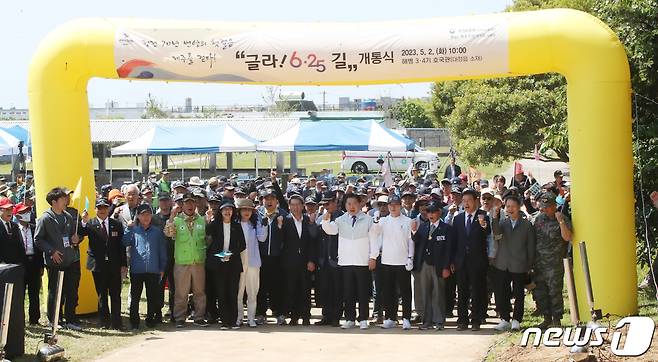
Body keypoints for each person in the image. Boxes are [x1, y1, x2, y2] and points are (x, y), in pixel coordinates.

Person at [322, 193, 378, 330]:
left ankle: (363, 318)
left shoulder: (368, 220)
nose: (351, 206)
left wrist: (373, 257)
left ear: (359, 204)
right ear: (345, 205)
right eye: (348, 204)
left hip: (362, 261)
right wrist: (325, 221)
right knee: (348, 292)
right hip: (346, 261)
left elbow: (374, 240)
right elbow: (331, 231)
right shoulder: (341, 220)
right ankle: (350, 318)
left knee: (363, 292)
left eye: (354, 203)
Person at [35, 187, 83, 331]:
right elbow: (38, 239)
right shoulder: (45, 218)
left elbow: (72, 237)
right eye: (63, 199)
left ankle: (71, 319)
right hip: (55, 262)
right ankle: (54, 319)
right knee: (55, 292)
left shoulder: (68, 216)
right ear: (54, 202)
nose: (66, 201)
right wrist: (51, 251)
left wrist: (76, 239)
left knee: (72, 291)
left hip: (71, 260)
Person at [80, 199, 127, 330]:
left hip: (114, 264)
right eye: (99, 208)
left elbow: (121, 246)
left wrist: (123, 264)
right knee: (101, 295)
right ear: (95, 209)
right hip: (97, 265)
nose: (102, 210)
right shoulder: (90, 223)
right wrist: (83, 221)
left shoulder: (116, 224)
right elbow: (81, 233)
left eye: (105, 207)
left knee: (115, 294)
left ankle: (117, 322)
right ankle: (104, 322)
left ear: (108, 209)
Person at [491, 195, 536, 332]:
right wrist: (494, 218)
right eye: (507, 206)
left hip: (519, 263)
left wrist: (530, 265)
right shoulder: (503, 223)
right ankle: (505, 319)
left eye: (513, 206)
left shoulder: (526, 225)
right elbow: (496, 234)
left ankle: (516, 319)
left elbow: (530, 246)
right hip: (503, 263)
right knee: (502, 292)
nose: (510, 209)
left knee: (518, 293)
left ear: (519, 207)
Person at [369, 195, 414, 330]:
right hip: (387, 261)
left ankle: (406, 317)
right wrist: (376, 221)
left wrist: (410, 257)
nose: (393, 207)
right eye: (390, 205)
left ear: (400, 206)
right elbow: (374, 234)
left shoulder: (407, 221)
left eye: (395, 204)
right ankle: (390, 318)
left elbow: (410, 240)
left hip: (402, 261)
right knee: (388, 291)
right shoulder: (383, 221)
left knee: (405, 291)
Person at [164, 192, 209, 328]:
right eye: (187, 202)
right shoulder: (176, 220)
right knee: (181, 292)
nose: (190, 205)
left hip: (198, 261)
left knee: (199, 291)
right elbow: (169, 233)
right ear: (182, 205)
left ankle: (199, 316)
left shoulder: (202, 220)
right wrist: (171, 216)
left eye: (192, 202)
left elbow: (207, 239)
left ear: (195, 204)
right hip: (182, 261)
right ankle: (179, 317)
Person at [123, 204, 168, 329]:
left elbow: (162, 251)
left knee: (152, 296)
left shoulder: (157, 232)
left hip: (153, 270)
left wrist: (162, 267)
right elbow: (125, 242)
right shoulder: (134, 230)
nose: (146, 217)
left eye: (148, 214)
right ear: (138, 216)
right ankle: (134, 321)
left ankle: (150, 319)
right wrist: (128, 229)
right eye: (143, 214)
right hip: (137, 270)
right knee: (135, 296)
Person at [451, 188, 490, 331]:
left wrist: (484, 226)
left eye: (469, 201)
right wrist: (453, 261)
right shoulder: (458, 218)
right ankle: (462, 320)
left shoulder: (483, 216)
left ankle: (476, 320)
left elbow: (488, 233)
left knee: (477, 292)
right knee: (462, 291)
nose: (466, 203)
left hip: (477, 261)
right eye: (464, 201)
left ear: (475, 201)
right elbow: (454, 242)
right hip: (461, 261)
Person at [531, 192, 572, 329]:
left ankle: (556, 319)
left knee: (555, 292)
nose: (544, 209)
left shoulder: (562, 218)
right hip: (540, 263)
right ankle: (546, 318)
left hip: (555, 264)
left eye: (547, 207)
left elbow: (567, 237)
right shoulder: (538, 219)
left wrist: (560, 221)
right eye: (543, 207)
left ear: (554, 205)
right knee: (541, 291)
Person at [412, 200, 453, 330]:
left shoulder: (446, 228)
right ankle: (427, 320)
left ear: (439, 213)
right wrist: (413, 232)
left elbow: (448, 250)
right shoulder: (423, 227)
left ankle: (439, 320)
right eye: (428, 211)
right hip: (424, 264)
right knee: (425, 293)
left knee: (438, 293)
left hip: (439, 265)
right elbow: (417, 241)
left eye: (433, 212)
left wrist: (446, 267)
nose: (430, 214)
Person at [206, 201, 245, 330]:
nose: (227, 212)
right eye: (225, 210)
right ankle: (224, 321)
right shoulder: (214, 225)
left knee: (232, 293)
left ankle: (233, 321)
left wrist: (230, 254)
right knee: (221, 293)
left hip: (233, 263)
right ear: (221, 212)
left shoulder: (237, 226)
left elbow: (242, 245)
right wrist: (220, 255)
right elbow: (208, 242)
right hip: (218, 264)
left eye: (230, 209)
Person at [281, 194, 317, 326]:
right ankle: (294, 316)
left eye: (298, 204)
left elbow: (312, 243)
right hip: (290, 262)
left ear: (303, 206)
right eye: (293, 205)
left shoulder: (308, 220)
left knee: (306, 290)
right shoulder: (285, 221)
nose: (295, 207)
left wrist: (311, 260)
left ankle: (306, 316)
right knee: (292, 290)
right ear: (289, 206)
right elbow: (281, 242)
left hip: (306, 262)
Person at [256, 188, 287, 325]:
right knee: (261, 286)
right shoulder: (257, 214)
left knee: (278, 286)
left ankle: (279, 312)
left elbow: (287, 237)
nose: (269, 201)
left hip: (277, 256)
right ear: (262, 200)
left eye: (272, 199)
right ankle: (261, 313)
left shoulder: (283, 215)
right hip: (261, 256)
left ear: (276, 201)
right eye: (266, 199)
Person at [235, 198, 267, 328]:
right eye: (244, 210)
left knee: (252, 291)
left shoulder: (255, 224)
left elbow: (262, 238)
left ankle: (251, 318)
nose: (247, 212)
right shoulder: (235, 224)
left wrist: (264, 225)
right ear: (240, 211)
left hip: (253, 262)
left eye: (249, 210)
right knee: (238, 291)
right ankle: (239, 317)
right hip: (239, 262)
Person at [315, 191, 344, 327]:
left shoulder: (342, 217)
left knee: (337, 290)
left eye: (328, 203)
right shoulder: (321, 217)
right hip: (323, 259)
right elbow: (315, 235)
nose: (326, 206)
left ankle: (336, 316)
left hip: (336, 258)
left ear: (335, 202)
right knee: (325, 289)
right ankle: (326, 316)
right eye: (324, 204)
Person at [14, 202, 43, 325]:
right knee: (20, 294)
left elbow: (40, 247)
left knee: (34, 293)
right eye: (23, 212)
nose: (27, 214)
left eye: (28, 212)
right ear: (18, 215)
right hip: (21, 263)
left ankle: (34, 319)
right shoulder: (14, 229)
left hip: (34, 263)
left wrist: (41, 265)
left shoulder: (34, 227)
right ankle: (19, 320)